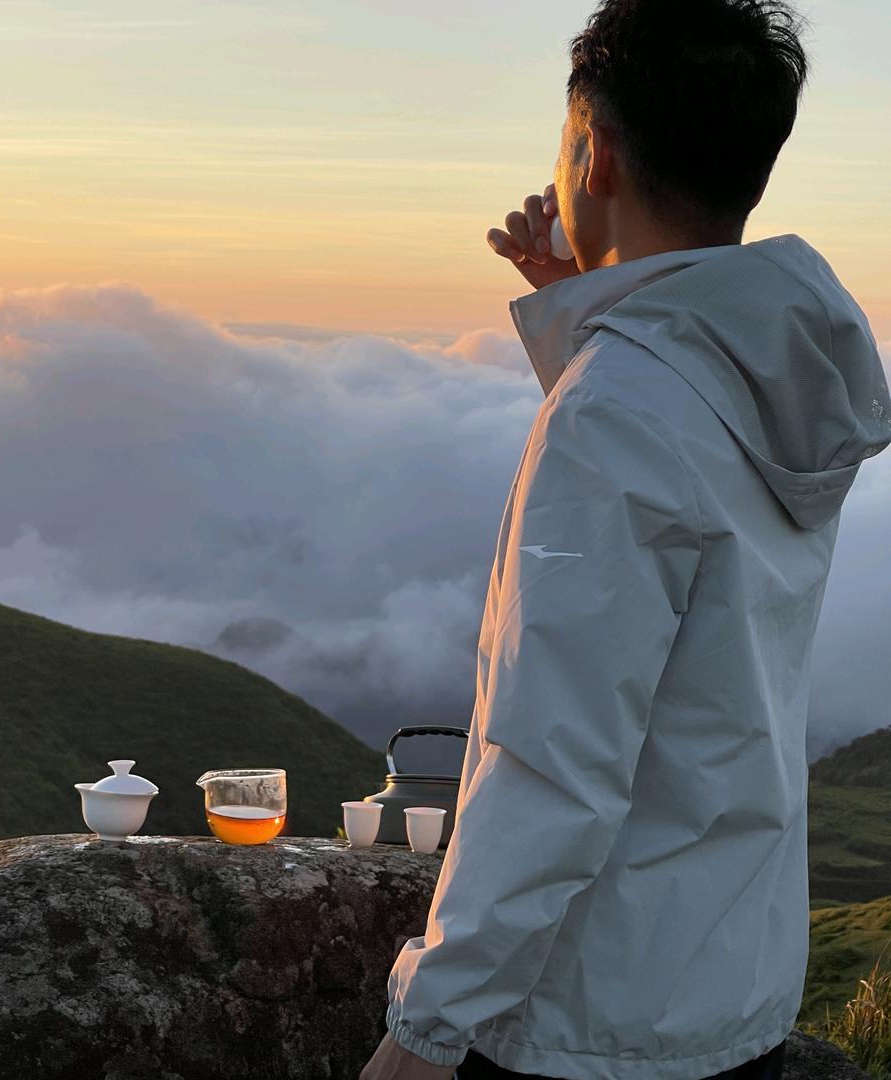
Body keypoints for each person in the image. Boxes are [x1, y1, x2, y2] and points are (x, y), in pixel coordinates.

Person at [360, 1, 891, 1078]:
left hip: (585, 1023)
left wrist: (427, 1026)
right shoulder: (768, 374)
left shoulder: (617, 413)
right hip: (722, 990)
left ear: (594, 153)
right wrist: (585, 315)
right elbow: (681, 549)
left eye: (566, 139)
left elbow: (555, 757)